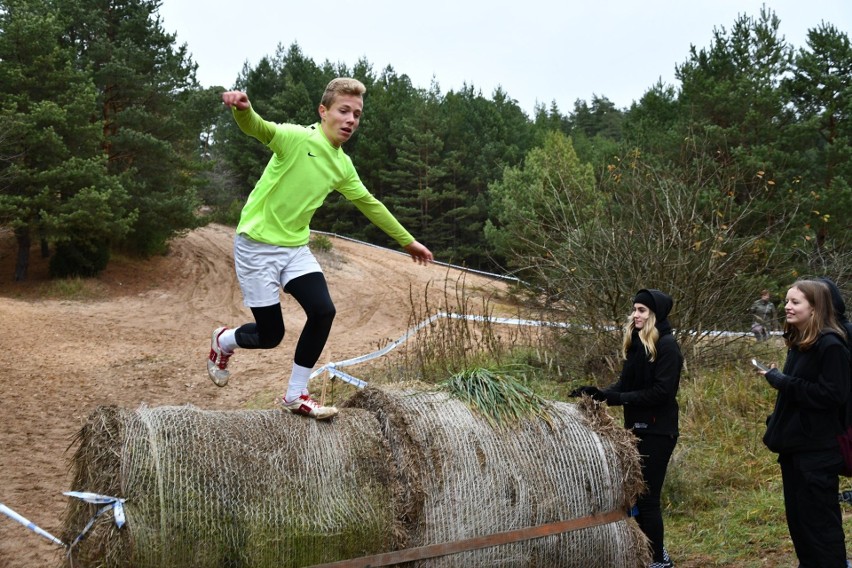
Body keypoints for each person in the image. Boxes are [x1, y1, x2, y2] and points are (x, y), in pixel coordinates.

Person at [209, 78, 433, 420]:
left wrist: (407, 240)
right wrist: (244, 109)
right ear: (323, 111)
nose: (351, 120)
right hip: (257, 245)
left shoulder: (342, 166)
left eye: (357, 115)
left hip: (295, 247)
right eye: (344, 111)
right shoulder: (298, 139)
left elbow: (370, 204)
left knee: (323, 310)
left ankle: (296, 393)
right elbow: (260, 129)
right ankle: (224, 341)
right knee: (271, 335)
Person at [571, 289, 683, 568]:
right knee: (635, 497)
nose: (635, 315)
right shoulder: (637, 345)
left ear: (655, 315)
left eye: (642, 310)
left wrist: (620, 399)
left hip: (658, 432)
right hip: (636, 429)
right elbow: (625, 386)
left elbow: (662, 393)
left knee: (648, 499)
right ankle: (647, 555)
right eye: (634, 309)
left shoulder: (667, 346)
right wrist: (598, 394)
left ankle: (658, 561)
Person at [759, 279, 850, 567]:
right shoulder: (800, 343)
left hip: (818, 452)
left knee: (821, 529)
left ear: (815, 308)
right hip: (795, 449)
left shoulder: (831, 345)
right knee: (801, 526)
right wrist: (781, 418)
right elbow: (802, 393)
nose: (787, 306)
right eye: (786, 300)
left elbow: (832, 395)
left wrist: (782, 382)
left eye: (795, 302)